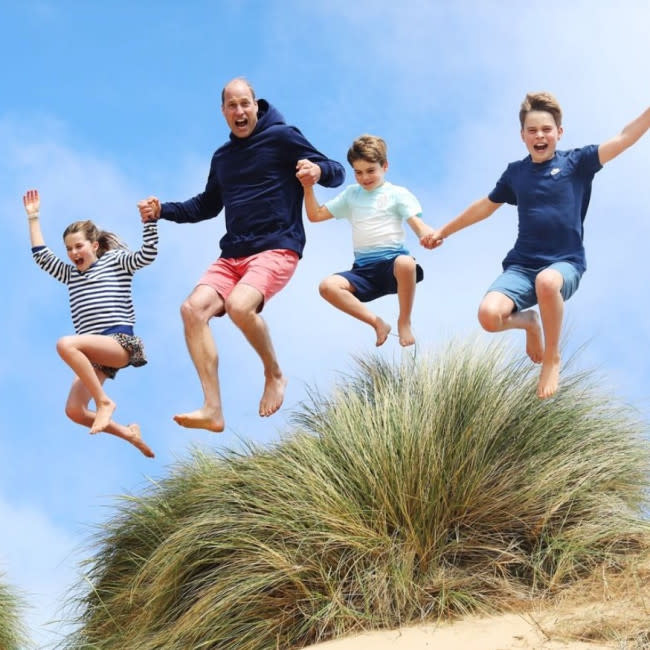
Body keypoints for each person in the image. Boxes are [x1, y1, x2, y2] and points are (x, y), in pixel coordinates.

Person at [138, 77, 345, 433]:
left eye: (244, 103)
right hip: (233, 254)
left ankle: (274, 373)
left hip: (277, 246)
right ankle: (213, 409)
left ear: (255, 104)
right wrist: (162, 211)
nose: (239, 111)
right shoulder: (223, 158)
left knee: (238, 305)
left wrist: (317, 170)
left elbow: (337, 172)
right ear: (223, 112)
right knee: (192, 310)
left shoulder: (282, 137)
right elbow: (206, 205)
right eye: (232, 106)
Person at [425, 93, 650, 399]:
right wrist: (444, 231)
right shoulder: (516, 173)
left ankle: (552, 358)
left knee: (547, 282)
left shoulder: (578, 162)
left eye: (546, 129)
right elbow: (485, 206)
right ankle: (530, 323)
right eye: (532, 130)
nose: (539, 135)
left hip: (564, 263)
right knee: (489, 316)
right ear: (523, 136)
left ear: (559, 132)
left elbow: (624, 138)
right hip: (521, 266)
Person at [24, 188, 157, 457]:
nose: (73, 252)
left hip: (119, 343)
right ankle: (129, 434)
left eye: (79, 246)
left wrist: (150, 223)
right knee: (74, 410)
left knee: (65, 344)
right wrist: (33, 218)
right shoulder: (70, 274)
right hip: (96, 355)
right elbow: (41, 256)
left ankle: (104, 402)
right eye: (69, 249)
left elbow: (147, 256)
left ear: (94, 246)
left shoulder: (114, 262)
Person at [299, 134, 435, 347]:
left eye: (371, 171)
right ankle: (377, 323)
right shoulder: (352, 195)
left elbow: (417, 224)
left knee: (406, 262)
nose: (364, 177)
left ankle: (404, 321)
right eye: (358, 172)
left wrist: (426, 235)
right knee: (327, 286)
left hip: (393, 268)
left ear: (385, 166)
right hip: (364, 272)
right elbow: (315, 215)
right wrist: (308, 187)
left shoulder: (397, 193)